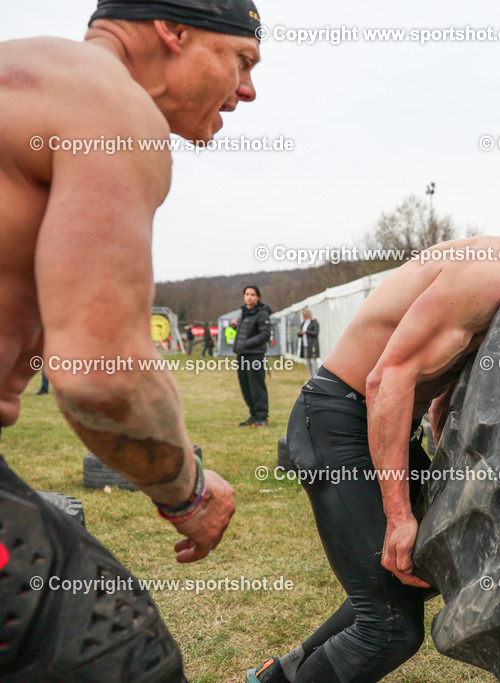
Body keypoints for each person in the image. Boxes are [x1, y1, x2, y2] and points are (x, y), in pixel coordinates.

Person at [245, 167, 500, 683]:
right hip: (338, 418)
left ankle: (277, 676)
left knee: (429, 560)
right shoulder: (486, 270)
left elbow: (439, 399)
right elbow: (387, 381)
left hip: (371, 418)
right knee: (391, 629)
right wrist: (398, 515)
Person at [0, 0, 258, 678]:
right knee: (123, 654)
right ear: (173, 32)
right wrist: (189, 492)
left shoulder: (25, 73)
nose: (249, 90)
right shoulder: (110, 106)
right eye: (242, 60)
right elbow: (102, 375)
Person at [234, 285, 272, 427]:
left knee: (257, 387)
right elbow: (247, 332)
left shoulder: (262, 314)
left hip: (255, 356)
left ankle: (263, 418)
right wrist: (235, 327)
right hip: (242, 355)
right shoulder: (244, 313)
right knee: (246, 387)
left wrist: (245, 343)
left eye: (252, 294)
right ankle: (253, 415)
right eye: (247, 294)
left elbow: (265, 334)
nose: (249, 297)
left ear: (258, 297)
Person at [297, 307, 320, 377]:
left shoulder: (314, 322)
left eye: (305, 315)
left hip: (312, 345)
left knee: (313, 362)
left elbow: (316, 333)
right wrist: (299, 333)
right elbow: (300, 333)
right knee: (308, 362)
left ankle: (315, 377)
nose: (304, 316)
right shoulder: (303, 323)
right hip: (305, 345)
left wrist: (306, 332)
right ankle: (310, 377)